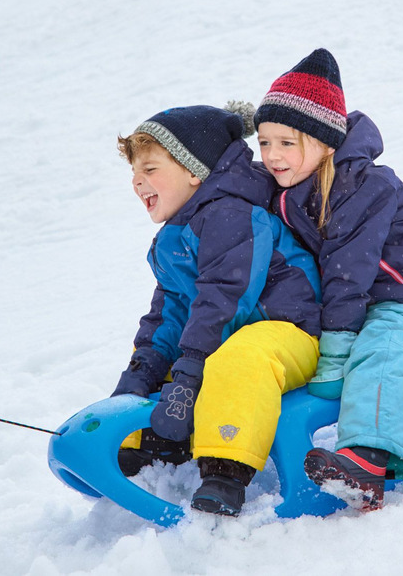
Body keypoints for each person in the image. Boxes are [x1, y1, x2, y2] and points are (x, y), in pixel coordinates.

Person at [254, 49, 403, 511]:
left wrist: (335, 353)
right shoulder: (288, 187)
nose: (272, 156)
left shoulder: (364, 185)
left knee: (377, 353)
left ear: (324, 142)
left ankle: (369, 457)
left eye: (286, 142)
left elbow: (349, 268)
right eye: (264, 142)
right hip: (356, 294)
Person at [111, 102, 322, 517]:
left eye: (150, 170)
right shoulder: (172, 239)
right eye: (134, 174)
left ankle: (225, 469)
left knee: (235, 359)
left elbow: (225, 299)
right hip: (230, 337)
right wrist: (142, 373)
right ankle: (144, 444)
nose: (138, 182)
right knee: (176, 365)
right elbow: (169, 313)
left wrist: (191, 373)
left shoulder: (232, 215)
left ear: (194, 171)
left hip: (292, 335)